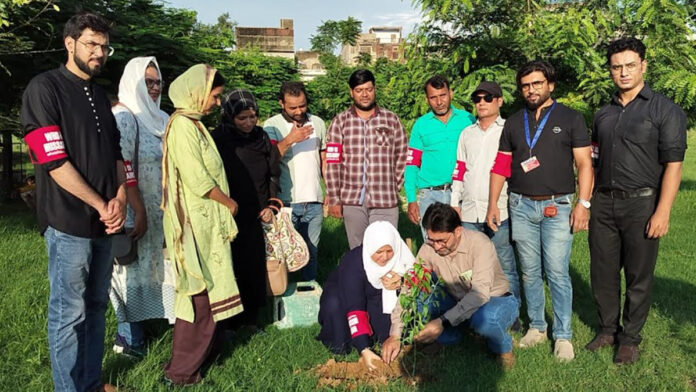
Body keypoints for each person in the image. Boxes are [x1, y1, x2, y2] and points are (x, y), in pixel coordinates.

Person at [20, 12, 125, 392]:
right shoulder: (44, 89)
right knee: (69, 314)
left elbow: (116, 153)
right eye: (91, 44)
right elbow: (52, 161)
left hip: (105, 221)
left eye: (104, 46)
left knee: (96, 307)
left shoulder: (98, 94)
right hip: (68, 223)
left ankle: (92, 383)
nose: (99, 52)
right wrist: (101, 203)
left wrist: (122, 197)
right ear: (70, 43)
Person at [586, 37, 687, 365]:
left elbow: (673, 165)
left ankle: (630, 338)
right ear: (610, 70)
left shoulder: (665, 110)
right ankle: (607, 329)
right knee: (602, 271)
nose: (623, 72)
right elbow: (595, 159)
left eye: (630, 65)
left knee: (638, 275)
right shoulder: (603, 114)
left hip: (642, 204)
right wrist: (586, 202)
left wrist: (663, 211)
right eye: (617, 67)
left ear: (644, 65)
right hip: (603, 203)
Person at [486, 60, 593, 361]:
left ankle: (563, 336)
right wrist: (494, 202)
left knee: (557, 272)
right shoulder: (513, 121)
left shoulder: (571, 118)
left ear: (550, 85)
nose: (531, 89)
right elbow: (502, 165)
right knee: (530, 272)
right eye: (525, 85)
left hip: (557, 206)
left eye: (537, 83)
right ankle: (536, 327)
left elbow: (585, 164)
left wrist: (583, 204)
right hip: (519, 205)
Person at [161, 64, 243, 385]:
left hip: (204, 221)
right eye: (215, 95)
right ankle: (181, 372)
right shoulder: (183, 126)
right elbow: (197, 178)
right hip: (195, 223)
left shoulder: (193, 125)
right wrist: (228, 202)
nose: (218, 103)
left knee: (208, 294)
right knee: (200, 296)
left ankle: (198, 361)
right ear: (197, 92)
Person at [382, 203, 518, 369]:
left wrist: (442, 321)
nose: (437, 247)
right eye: (431, 240)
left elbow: (480, 294)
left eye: (442, 241)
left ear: (458, 231)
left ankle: (503, 347)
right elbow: (410, 287)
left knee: (486, 319)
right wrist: (395, 334)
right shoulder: (428, 249)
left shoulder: (480, 244)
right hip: (456, 300)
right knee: (421, 299)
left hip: (494, 299)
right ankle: (451, 337)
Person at [109, 56, 175, 359]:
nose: (153, 87)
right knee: (131, 271)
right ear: (133, 82)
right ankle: (130, 338)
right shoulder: (125, 117)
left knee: (159, 270)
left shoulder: (162, 119)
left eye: (157, 81)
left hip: (164, 212)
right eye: (147, 81)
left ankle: (159, 323)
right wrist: (139, 209)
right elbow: (122, 167)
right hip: (137, 210)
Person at [450, 81, 521, 313]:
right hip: (470, 211)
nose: (482, 103)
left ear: (499, 101)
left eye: (488, 98)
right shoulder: (466, 134)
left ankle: (512, 313)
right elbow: (459, 170)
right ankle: (477, 312)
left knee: (505, 265)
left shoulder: (509, 129)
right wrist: (454, 204)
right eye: (477, 99)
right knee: (471, 268)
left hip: (499, 209)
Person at [213, 89, 279, 327]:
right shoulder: (218, 139)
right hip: (227, 212)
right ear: (230, 117)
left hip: (255, 213)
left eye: (253, 117)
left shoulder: (261, 138)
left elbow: (273, 173)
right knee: (230, 265)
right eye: (242, 118)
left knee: (253, 266)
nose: (249, 123)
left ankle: (252, 319)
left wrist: (271, 204)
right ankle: (228, 319)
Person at [325, 69, 409, 249]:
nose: (364, 94)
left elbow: (403, 154)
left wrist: (395, 185)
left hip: (384, 199)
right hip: (352, 199)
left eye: (369, 89)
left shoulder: (390, 119)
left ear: (375, 89)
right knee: (358, 252)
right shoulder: (340, 122)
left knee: (385, 250)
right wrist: (334, 198)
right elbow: (333, 162)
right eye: (359, 90)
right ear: (351, 92)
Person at [317, 221, 414, 370]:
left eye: (389, 251)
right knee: (340, 340)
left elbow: (416, 286)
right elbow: (355, 305)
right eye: (379, 252)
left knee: (385, 337)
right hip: (345, 297)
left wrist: (402, 282)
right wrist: (364, 349)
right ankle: (350, 340)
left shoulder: (401, 257)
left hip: (375, 297)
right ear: (369, 248)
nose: (385, 257)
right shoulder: (353, 263)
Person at [263, 81, 326, 281]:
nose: (299, 111)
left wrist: (330, 194)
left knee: (312, 253)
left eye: (302, 105)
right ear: (281, 103)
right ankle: (285, 296)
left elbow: (324, 159)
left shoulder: (318, 123)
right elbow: (269, 160)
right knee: (286, 255)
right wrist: (290, 139)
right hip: (286, 202)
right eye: (293, 107)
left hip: (314, 200)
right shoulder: (272, 125)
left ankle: (308, 294)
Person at [405, 75, 475, 239]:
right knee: (433, 245)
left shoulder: (468, 119)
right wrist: (411, 199)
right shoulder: (421, 125)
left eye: (443, 95)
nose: (439, 102)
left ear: (451, 93)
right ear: (427, 99)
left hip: (462, 193)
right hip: (430, 196)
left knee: (462, 243)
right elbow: (412, 164)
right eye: (433, 97)